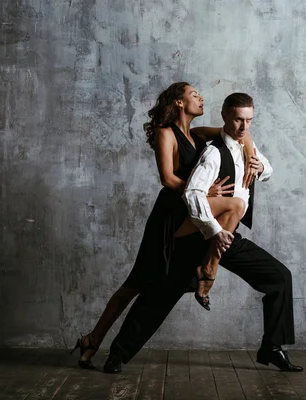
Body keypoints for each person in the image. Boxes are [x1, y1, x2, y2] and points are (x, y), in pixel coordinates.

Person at [102, 92, 303, 374]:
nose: (244, 127)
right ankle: (118, 354)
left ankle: (272, 347)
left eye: (249, 121)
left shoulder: (247, 145)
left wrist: (261, 168)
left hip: (226, 233)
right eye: (238, 120)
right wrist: (214, 232)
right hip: (203, 233)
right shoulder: (212, 152)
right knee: (159, 294)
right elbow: (193, 196)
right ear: (224, 117)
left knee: (279, 277)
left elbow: (267, 168)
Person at [70, 83, 256, 369]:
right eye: (194, 95)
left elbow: (237, 134)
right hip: (169, 215)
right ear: (179, 103)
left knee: (233, 207)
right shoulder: (165, 133)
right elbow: (167, 179)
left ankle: (99, 343)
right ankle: (92, 339)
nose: (201, 97)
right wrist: (204, 193)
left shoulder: (196, 134)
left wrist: (254, 160)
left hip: (191, 212)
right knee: (135, 284)